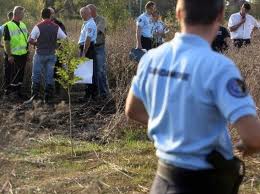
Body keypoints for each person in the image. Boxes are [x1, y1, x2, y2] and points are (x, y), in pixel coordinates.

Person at [125, 0, 260, 193]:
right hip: (205, 182)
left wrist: (171, 126)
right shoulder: (220, 67)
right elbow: (254, 138)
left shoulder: (151, 58)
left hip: (163, 180)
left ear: (179, 13)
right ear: (221, 15)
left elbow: (132, 110)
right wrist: (242, 147)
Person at [25, 8, 67, 104]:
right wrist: (55, 45)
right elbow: (65, 38)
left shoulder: (38, 26)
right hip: (52, 55)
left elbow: (30, 40)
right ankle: (48, 99)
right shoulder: (56, 27)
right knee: (50, 76)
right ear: (50, 15)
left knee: (36, 76)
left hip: (40, 54)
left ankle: (34, 98)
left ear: (41, 16)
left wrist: (37, 44)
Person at [3, 6, 29, 98]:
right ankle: (9, 93)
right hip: (13, 56)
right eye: (22, 13)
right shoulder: (8, 26)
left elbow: (26, 39)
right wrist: (9, 55)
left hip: (23, 55)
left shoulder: (23, 25)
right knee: (10, 75)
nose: (24, 15)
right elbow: (6, 42)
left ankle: (18, 92)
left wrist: (27, 53)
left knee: (20, 75)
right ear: (17, 14)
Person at [87, 4, 110, 99]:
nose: (86, 13)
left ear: (92, 11)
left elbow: (96, 31)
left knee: (100, 71)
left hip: (99, 48)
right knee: (90, 72)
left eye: (87, 11)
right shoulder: (87, 21)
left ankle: (104, 94)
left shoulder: (101, 20)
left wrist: (88, 32)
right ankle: (93, 94)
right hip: (90, 48)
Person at [78, 7, 98, 101]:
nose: (81, 15)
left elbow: (88, 40)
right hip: (85, 48)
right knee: (86, 72)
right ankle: (90, 95)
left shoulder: (90, 24)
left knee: (88, 73)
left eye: (82, 13)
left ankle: (90, 96)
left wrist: (84, 53)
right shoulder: (86, 23)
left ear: (87, 13)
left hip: (88, 49)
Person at [49, 7, 67, 94]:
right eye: (49, 13)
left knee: (58, 71)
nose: (50, 14)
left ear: (54, 14)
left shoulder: (59, 24)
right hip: (46, 52)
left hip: (58, 50)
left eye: (52, 13)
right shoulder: (42, 23)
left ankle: (57, 91)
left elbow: (64, 38)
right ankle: (49, 91)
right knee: (48, 71)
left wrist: (60, 49)